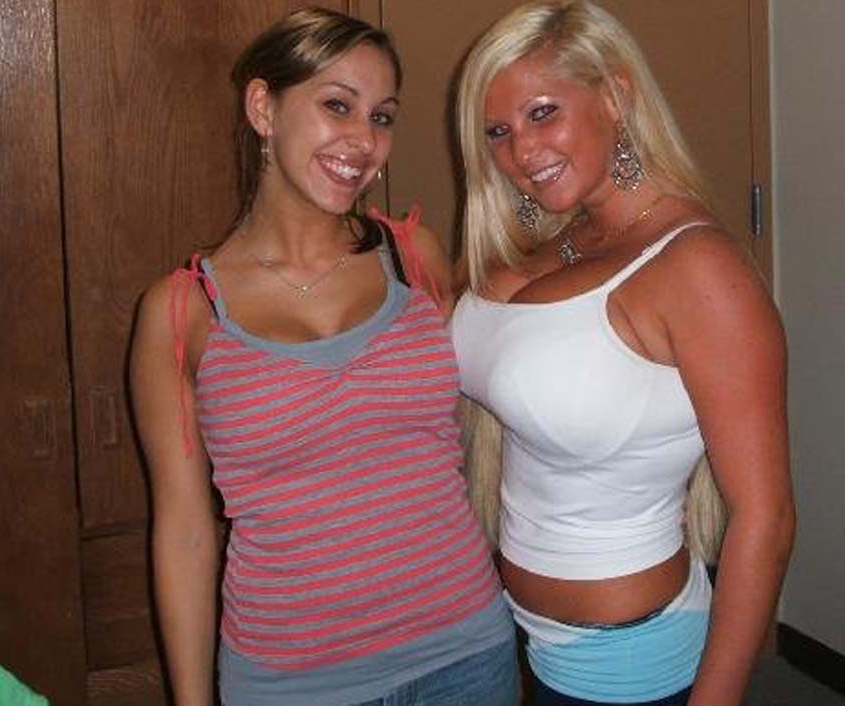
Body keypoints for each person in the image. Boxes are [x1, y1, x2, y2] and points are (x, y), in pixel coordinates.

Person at [130, 7, 518, 706]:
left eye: (382, 116)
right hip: (292, 681)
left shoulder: (414, 258)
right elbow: (184, 534)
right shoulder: (182, 312)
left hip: (466, 652)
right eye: (338, 105)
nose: (364, 140)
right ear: (263, 107)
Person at [450, 2, 795, 705]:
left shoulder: (696, 266)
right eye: (498, 132)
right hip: (525, 640)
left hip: (634, 665)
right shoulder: (563, 245)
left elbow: (767, 518)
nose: (521, 153)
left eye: (542, 113)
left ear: (614, 96)